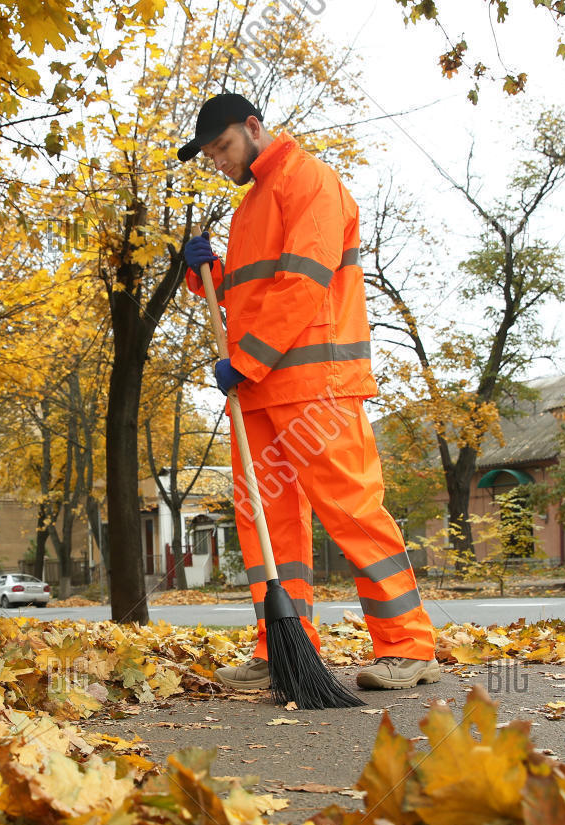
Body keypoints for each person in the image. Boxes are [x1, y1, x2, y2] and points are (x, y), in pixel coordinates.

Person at [177, 93, 441, 691]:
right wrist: (205, 273)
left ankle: (408, 647)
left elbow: (304, 282)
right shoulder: (250, 209)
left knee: (351, 509)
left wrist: (244, 361)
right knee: (268, 525)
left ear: (253, 128)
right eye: (210, 155)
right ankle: (286, 649)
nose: (218, 161)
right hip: (261, 387)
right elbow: (247, 296)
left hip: (315, 384)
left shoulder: (310, 180)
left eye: (222, 147)